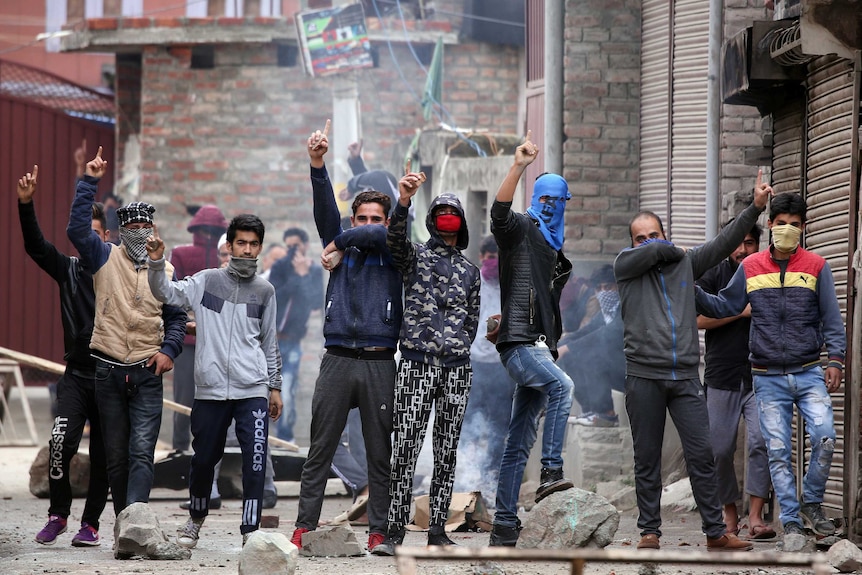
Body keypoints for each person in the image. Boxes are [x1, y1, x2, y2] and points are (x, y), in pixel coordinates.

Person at [613, 172, 771, 552]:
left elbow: (724, 244)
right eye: (641, 237)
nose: (649, 242)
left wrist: (755, 208)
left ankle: (715, 531)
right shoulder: (626, 267)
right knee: (647, 458)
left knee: (703, 455)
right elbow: (655, 253)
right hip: (643, 376)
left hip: (684, 376)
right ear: (632, 244)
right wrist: (672, 250)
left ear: (665, 233)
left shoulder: (685, 267)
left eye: (655, 234)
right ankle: (649, 531)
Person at [695, 192, 845, 543]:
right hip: (766, 376)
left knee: (825, 436)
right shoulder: (750, 268)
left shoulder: (817, 267)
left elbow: (832, 319)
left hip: (808, 370)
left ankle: (811, 503)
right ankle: (791, 520)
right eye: (781, 225)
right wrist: (686, 288)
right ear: (771, 225)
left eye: (795, 225)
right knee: (776, 451)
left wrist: (835, 360)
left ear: (804, 227)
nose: (788, 230)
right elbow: (722, 305)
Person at [291, 121, 403, 554]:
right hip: (337, 358)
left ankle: (378, 533)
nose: (370, 224)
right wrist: (317, 163)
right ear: (352, 216)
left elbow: (376, 235)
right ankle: (303, 528)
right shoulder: (339, 242)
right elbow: (324, 212)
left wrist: (338, 240)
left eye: (377, 217)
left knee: (379, 454)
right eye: (362, 217)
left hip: (379, 361)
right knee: (319, 451)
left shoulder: (395, 247)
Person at [146, 214, 283, 548]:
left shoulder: (265, 291)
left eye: (253, 244)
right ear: (230, 245)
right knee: (204, 459)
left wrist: (274, 386)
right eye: (241, 243)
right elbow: (167, 293)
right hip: (209, 390)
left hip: (252, 389)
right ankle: (195, 519)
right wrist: (156, 261)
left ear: (259, 247)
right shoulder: (206, 281)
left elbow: (269, 342)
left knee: (255, 458)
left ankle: (251, 529)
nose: (247, 250)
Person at [66, 147, 187, 515]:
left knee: (142, 451)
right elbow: (75, 230)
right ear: (121, 231)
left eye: (144, 228)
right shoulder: (104, 256)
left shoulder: (164, 271)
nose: (138, 233)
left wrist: (169, 350)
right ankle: (124, 522)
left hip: (147, 371)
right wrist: (89, 181)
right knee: (116, 455)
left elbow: (177, 318)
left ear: (153, 230)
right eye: (131, 228)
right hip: (108, 370)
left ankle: (137, 519)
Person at [372, 179, 481, 555]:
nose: (447, 219)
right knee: (404, 447)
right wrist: (403, 202)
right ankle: (394, 533)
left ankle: (437, 530)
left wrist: (459, 349)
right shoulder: (415, 256)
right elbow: (394, 241)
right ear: (432, 221)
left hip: (456, 369)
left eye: (453, 214)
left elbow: (472, 321)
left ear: (461, 222)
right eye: (441, 214)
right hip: (416, 365)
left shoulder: (470, 271)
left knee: (446, 449)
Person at [487, 132, 574, 548]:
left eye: (558, 200)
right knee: (563, 385)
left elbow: (546, 298)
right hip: (519, 342)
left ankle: (504, 525)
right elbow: (499, 214)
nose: (550, 206)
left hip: (541, 345)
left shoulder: (554, 244)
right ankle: (551, 473)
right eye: (545, 198)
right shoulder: (522, 227)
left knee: (517, 441)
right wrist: (519, 166)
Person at [18, 165, 110, 547]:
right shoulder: (68, 270)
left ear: (107, 237)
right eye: (83, 234)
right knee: (60, 444)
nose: (88, 240)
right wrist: (26, 204)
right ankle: (58, 514)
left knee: (106, 453)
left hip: (111, 376)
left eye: (96, 233)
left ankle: (90, 525)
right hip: (74, 375)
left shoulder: (118, 271)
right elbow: (36, 247)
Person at [696, 222, 775, 540]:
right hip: (722, 375)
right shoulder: (714, 274)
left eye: (750, 243)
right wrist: (739, 312)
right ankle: (729, 513)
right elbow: (698, 319)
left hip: (762, 374)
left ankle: (755, 517)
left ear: (759, 243)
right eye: (738, 243)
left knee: (761, 442)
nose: (743, 250)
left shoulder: (767, 272)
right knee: (719, 449)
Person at [453, 235, 517, 508]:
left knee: (498, 428)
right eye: (486, 256)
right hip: (474, 365)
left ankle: (490, 481)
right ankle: (463, 481)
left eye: (495, 256)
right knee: (466, 424)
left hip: (503, 367)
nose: (489, 262)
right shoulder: (471, 282)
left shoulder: (512, 287)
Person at [168, 205, 228, 453]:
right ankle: (181, 448)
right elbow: (174, 295)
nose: (208, 234)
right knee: (184, 398)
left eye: (211, 231)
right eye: (205, 230)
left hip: (216, 340)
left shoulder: (224, 257)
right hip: (188, 340)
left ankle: (207, 448)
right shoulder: (181, 255)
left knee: (215, 397)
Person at [268, 227, 323, 443]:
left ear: (306, 246)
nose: (292, 251)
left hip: (292, 342)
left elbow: (315, 302)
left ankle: (285, 439)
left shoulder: (315, 271)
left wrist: (304, 276)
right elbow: (275, 297)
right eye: (288, 246)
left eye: (296, 246)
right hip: (271, 341)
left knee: (287, 393)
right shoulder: (280, 267)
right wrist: (296, 277)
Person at [559, 264, 624, 427]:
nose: (603, 293)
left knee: (591, 354)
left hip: (632, 373)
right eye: (599, 289)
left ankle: (606, 414)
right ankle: (590, 410)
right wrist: (561, 344)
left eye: (608, 287)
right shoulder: (604, 313)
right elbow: (586, 332)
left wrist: (568, 348)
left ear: (618, 287)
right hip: (615, 367)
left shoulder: (625, 310)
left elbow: (606, 333)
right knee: (569, 351)